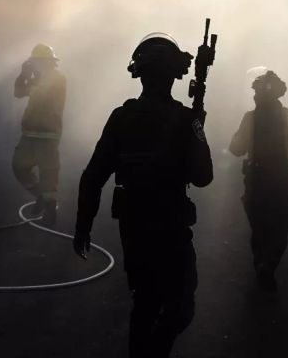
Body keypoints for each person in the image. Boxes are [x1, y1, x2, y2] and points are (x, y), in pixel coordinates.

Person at [74, 33, 213, 358]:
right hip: (170, 227)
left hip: (135, 229)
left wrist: (83, 225)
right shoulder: (183, 119)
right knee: (178, 307)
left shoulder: (122, 118)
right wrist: (197, 130)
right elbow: (203, 177)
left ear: (139, 73)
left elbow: (93, 175)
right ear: (174, 76)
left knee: (146, 302)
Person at [229, 70, 288, 291]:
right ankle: (268, 266)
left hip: (257, 180)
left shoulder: (250, 119)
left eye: (257, 92)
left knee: (260, 228)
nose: (255, 96)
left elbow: (236, 149)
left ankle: (263, 265)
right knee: (279, 228)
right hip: (280, 180)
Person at [12, 43, 66, 225]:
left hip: (47, 135)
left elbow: (39, 92)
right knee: (19, 167)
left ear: (48, 63)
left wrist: (30, 77)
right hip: (29, 133)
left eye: (37, 62)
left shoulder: (57, 79)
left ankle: (50, 210)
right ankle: (41, 197)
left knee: (48, 173)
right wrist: (23, 75)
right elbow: (18, 93)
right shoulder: (37, 78)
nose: (35, 66)